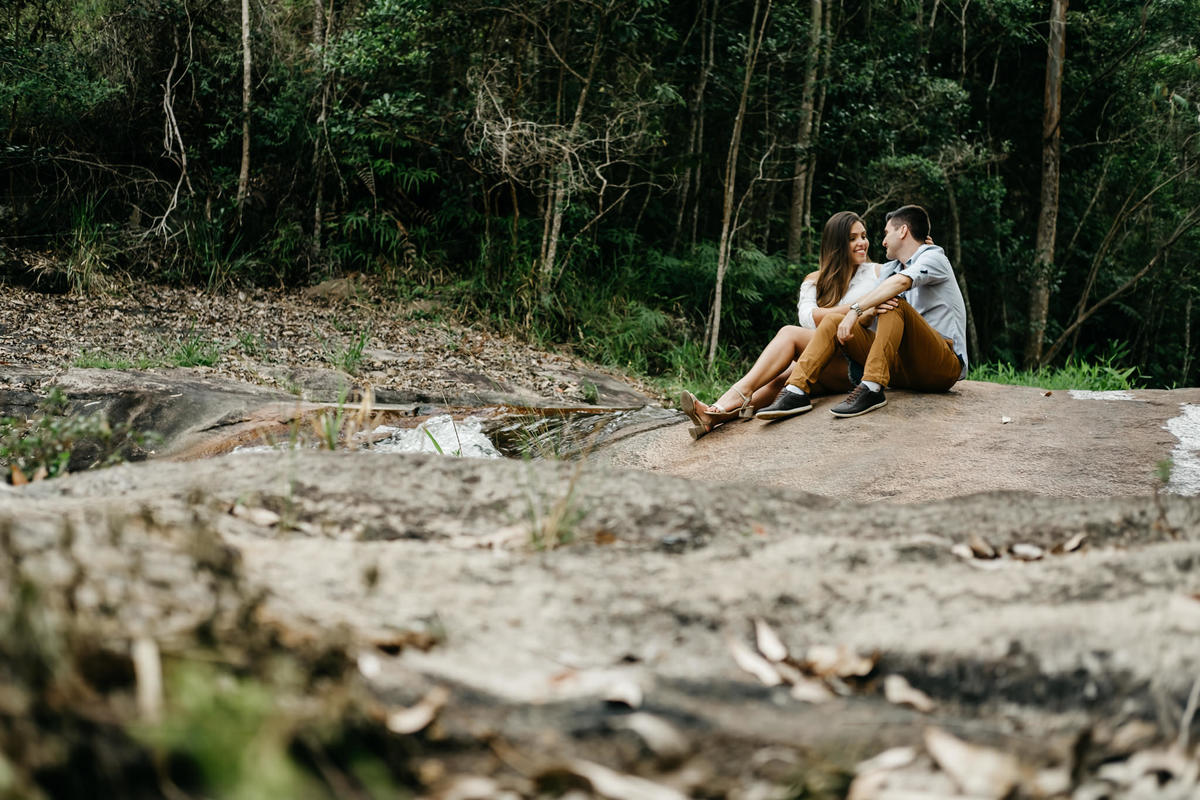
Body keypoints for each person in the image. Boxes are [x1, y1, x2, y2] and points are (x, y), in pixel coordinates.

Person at [679, 211, 882, 440]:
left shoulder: (878, 273)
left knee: (789, 334)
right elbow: (807, 318)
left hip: (859, 364)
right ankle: (712, 416)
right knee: (781, 379)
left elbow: (909, 282)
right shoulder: (814, 280)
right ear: (835, 244)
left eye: (863, 236)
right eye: (853, 238)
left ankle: (738, 392)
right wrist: (860, 307)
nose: (862, 243)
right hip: (826, 363)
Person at [756, 204, 967, 420]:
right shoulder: (890, 269)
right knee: (834, 321)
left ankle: (872, 388)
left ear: (902, 231)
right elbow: (871, 307)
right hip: (904, 369)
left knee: (892, 302)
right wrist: (857, 315)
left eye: (886, 233)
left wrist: (855, 311)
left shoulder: (933, 257)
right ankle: (796, 391)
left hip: (942, 366)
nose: (883, 241)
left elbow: (900, 284)